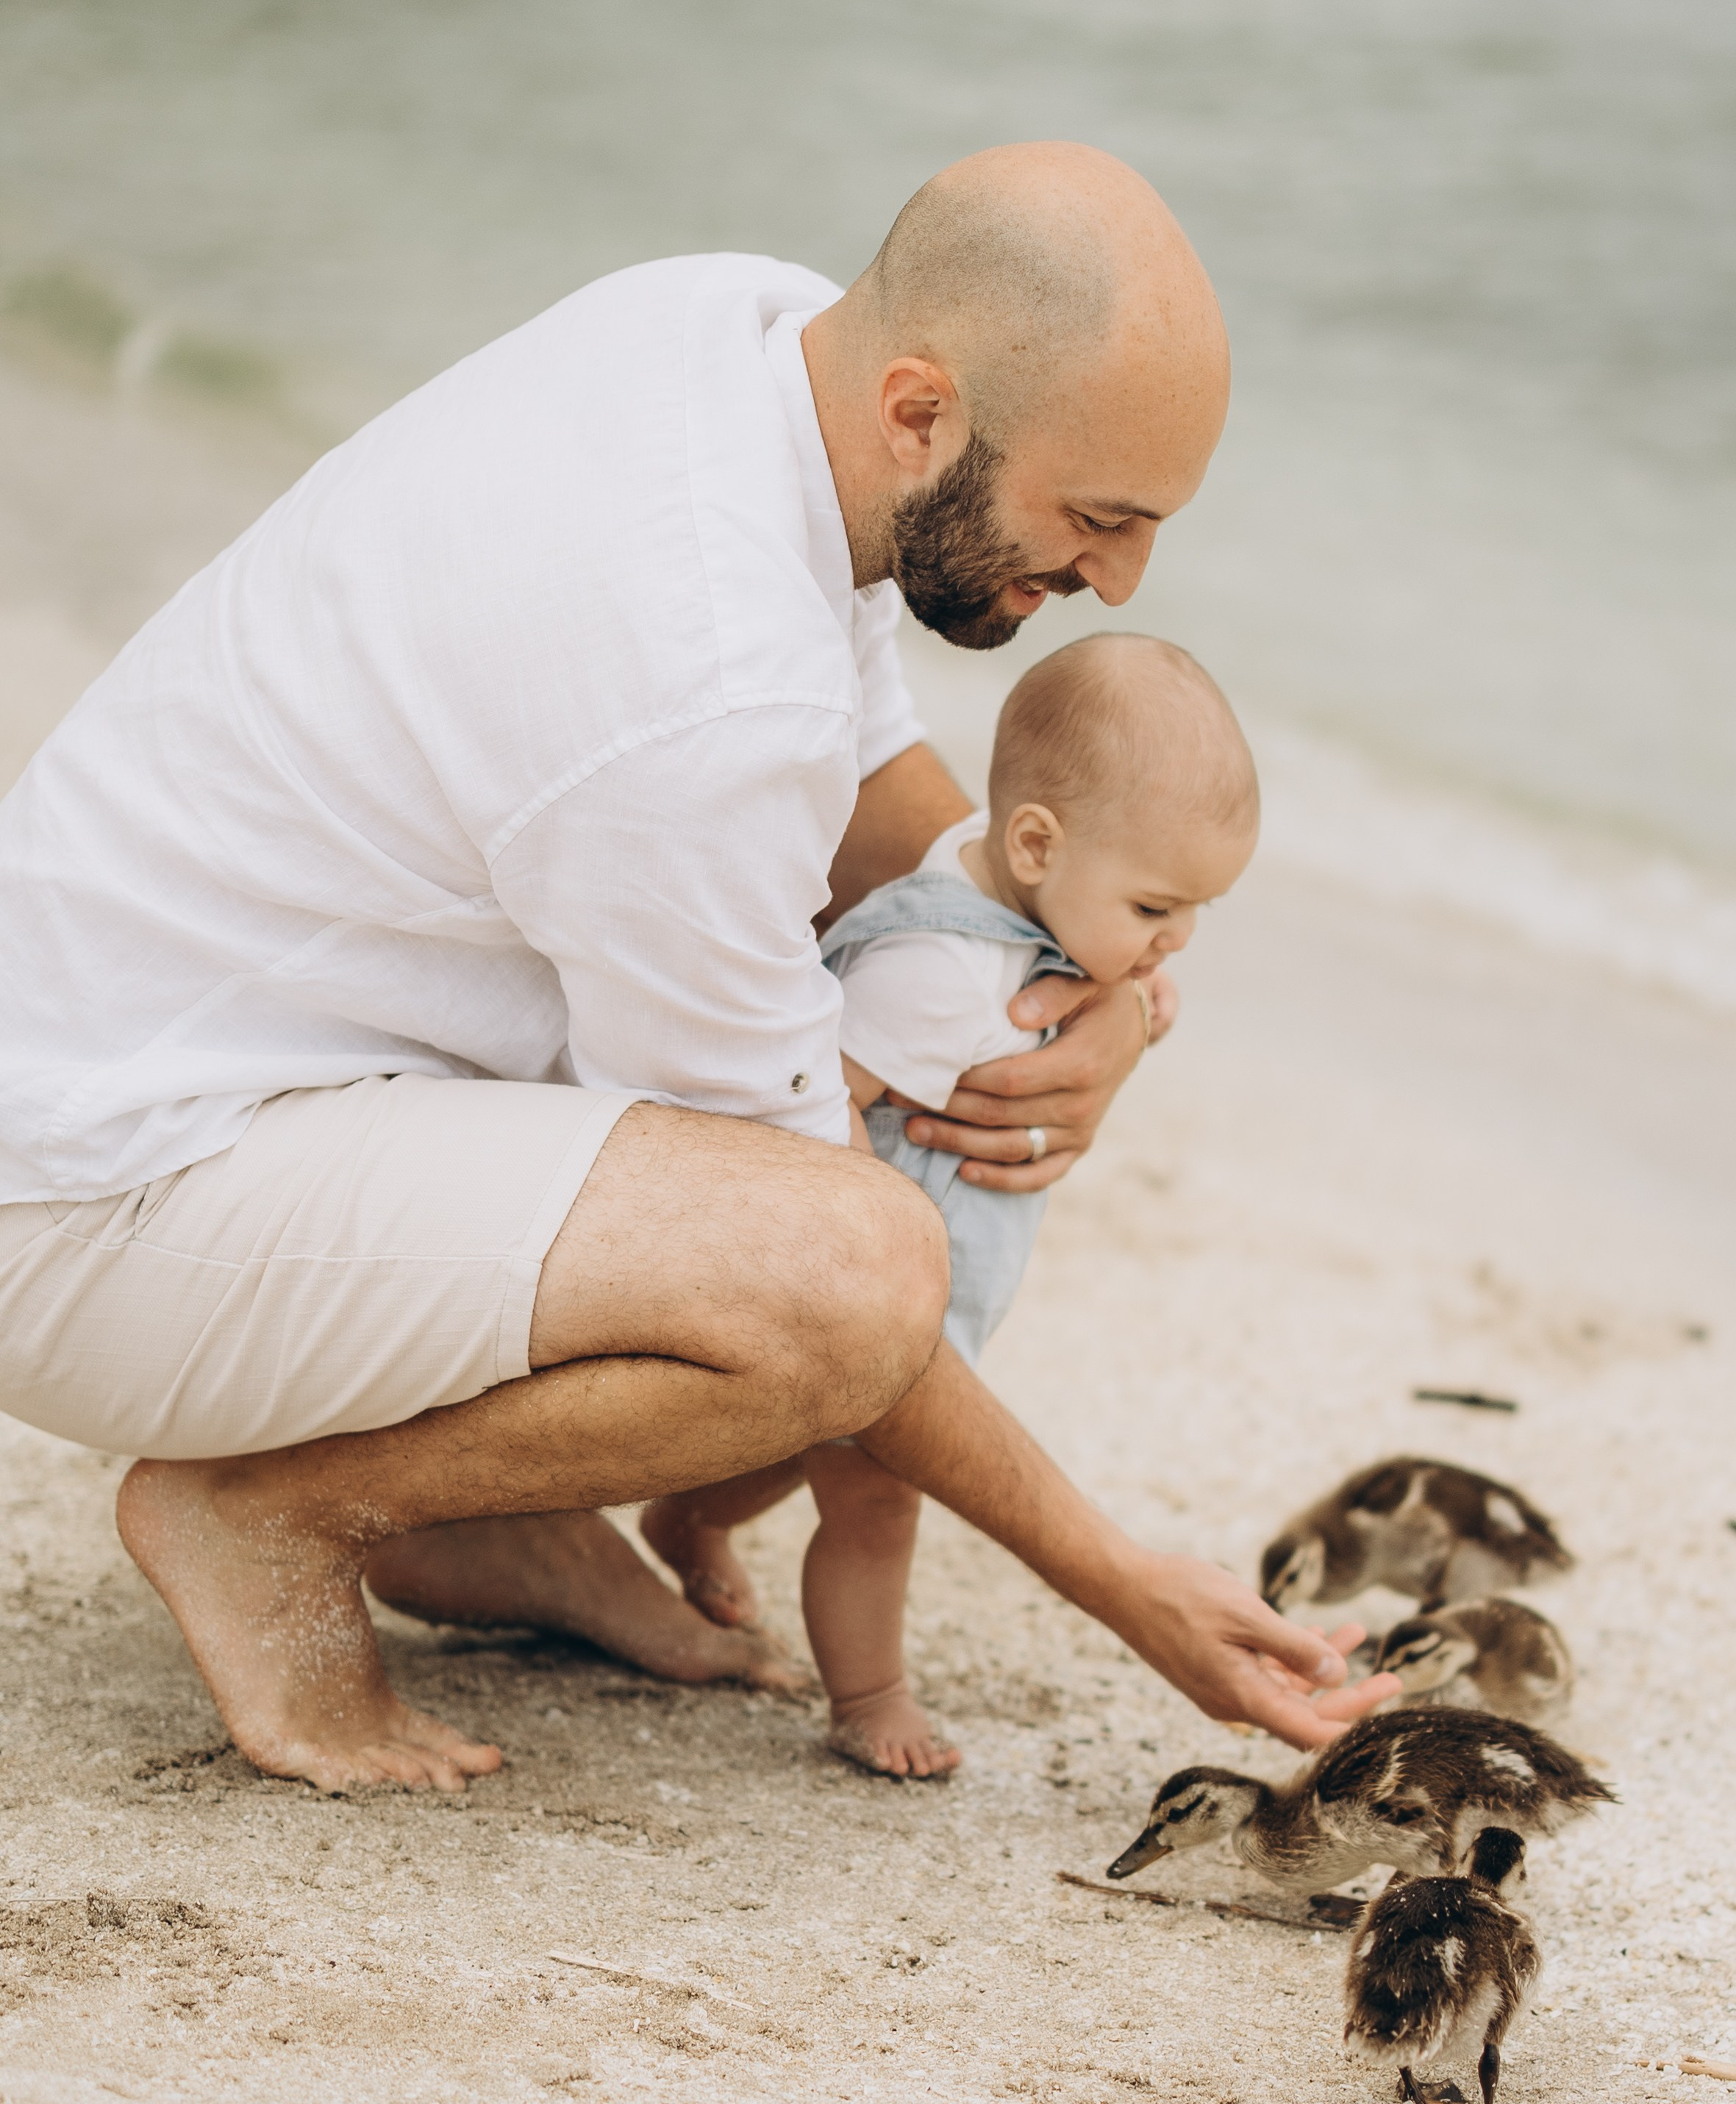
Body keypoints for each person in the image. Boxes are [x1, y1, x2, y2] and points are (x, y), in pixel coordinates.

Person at [0, 141, 1396, 1793]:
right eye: (1095, 519)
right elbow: (820, 1273)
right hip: (105, 1194)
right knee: (858, 1274)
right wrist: (1118, 1581)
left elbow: (869, 794)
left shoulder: (733, 339)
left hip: (179, 1056)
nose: (1118, 581)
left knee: (858, 1098)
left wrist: (1085, 989)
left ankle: (479, 1517)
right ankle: (270, 1509)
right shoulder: (703, 685)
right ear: (918, 412)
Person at [645, 634, 1260, 1778]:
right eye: (1154, 906)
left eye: (1192, 914)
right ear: (1035, 844)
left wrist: (1134, 980)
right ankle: (868, 1693)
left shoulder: (1008, 887)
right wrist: (850, 1255)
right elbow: (827, 1088)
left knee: (795, 1454)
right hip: (869, 1297)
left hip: (926, 1301)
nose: (1171, 939)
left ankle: (692, 1517)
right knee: (877, 1502)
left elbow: (1086, 948)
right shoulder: (934, 970)